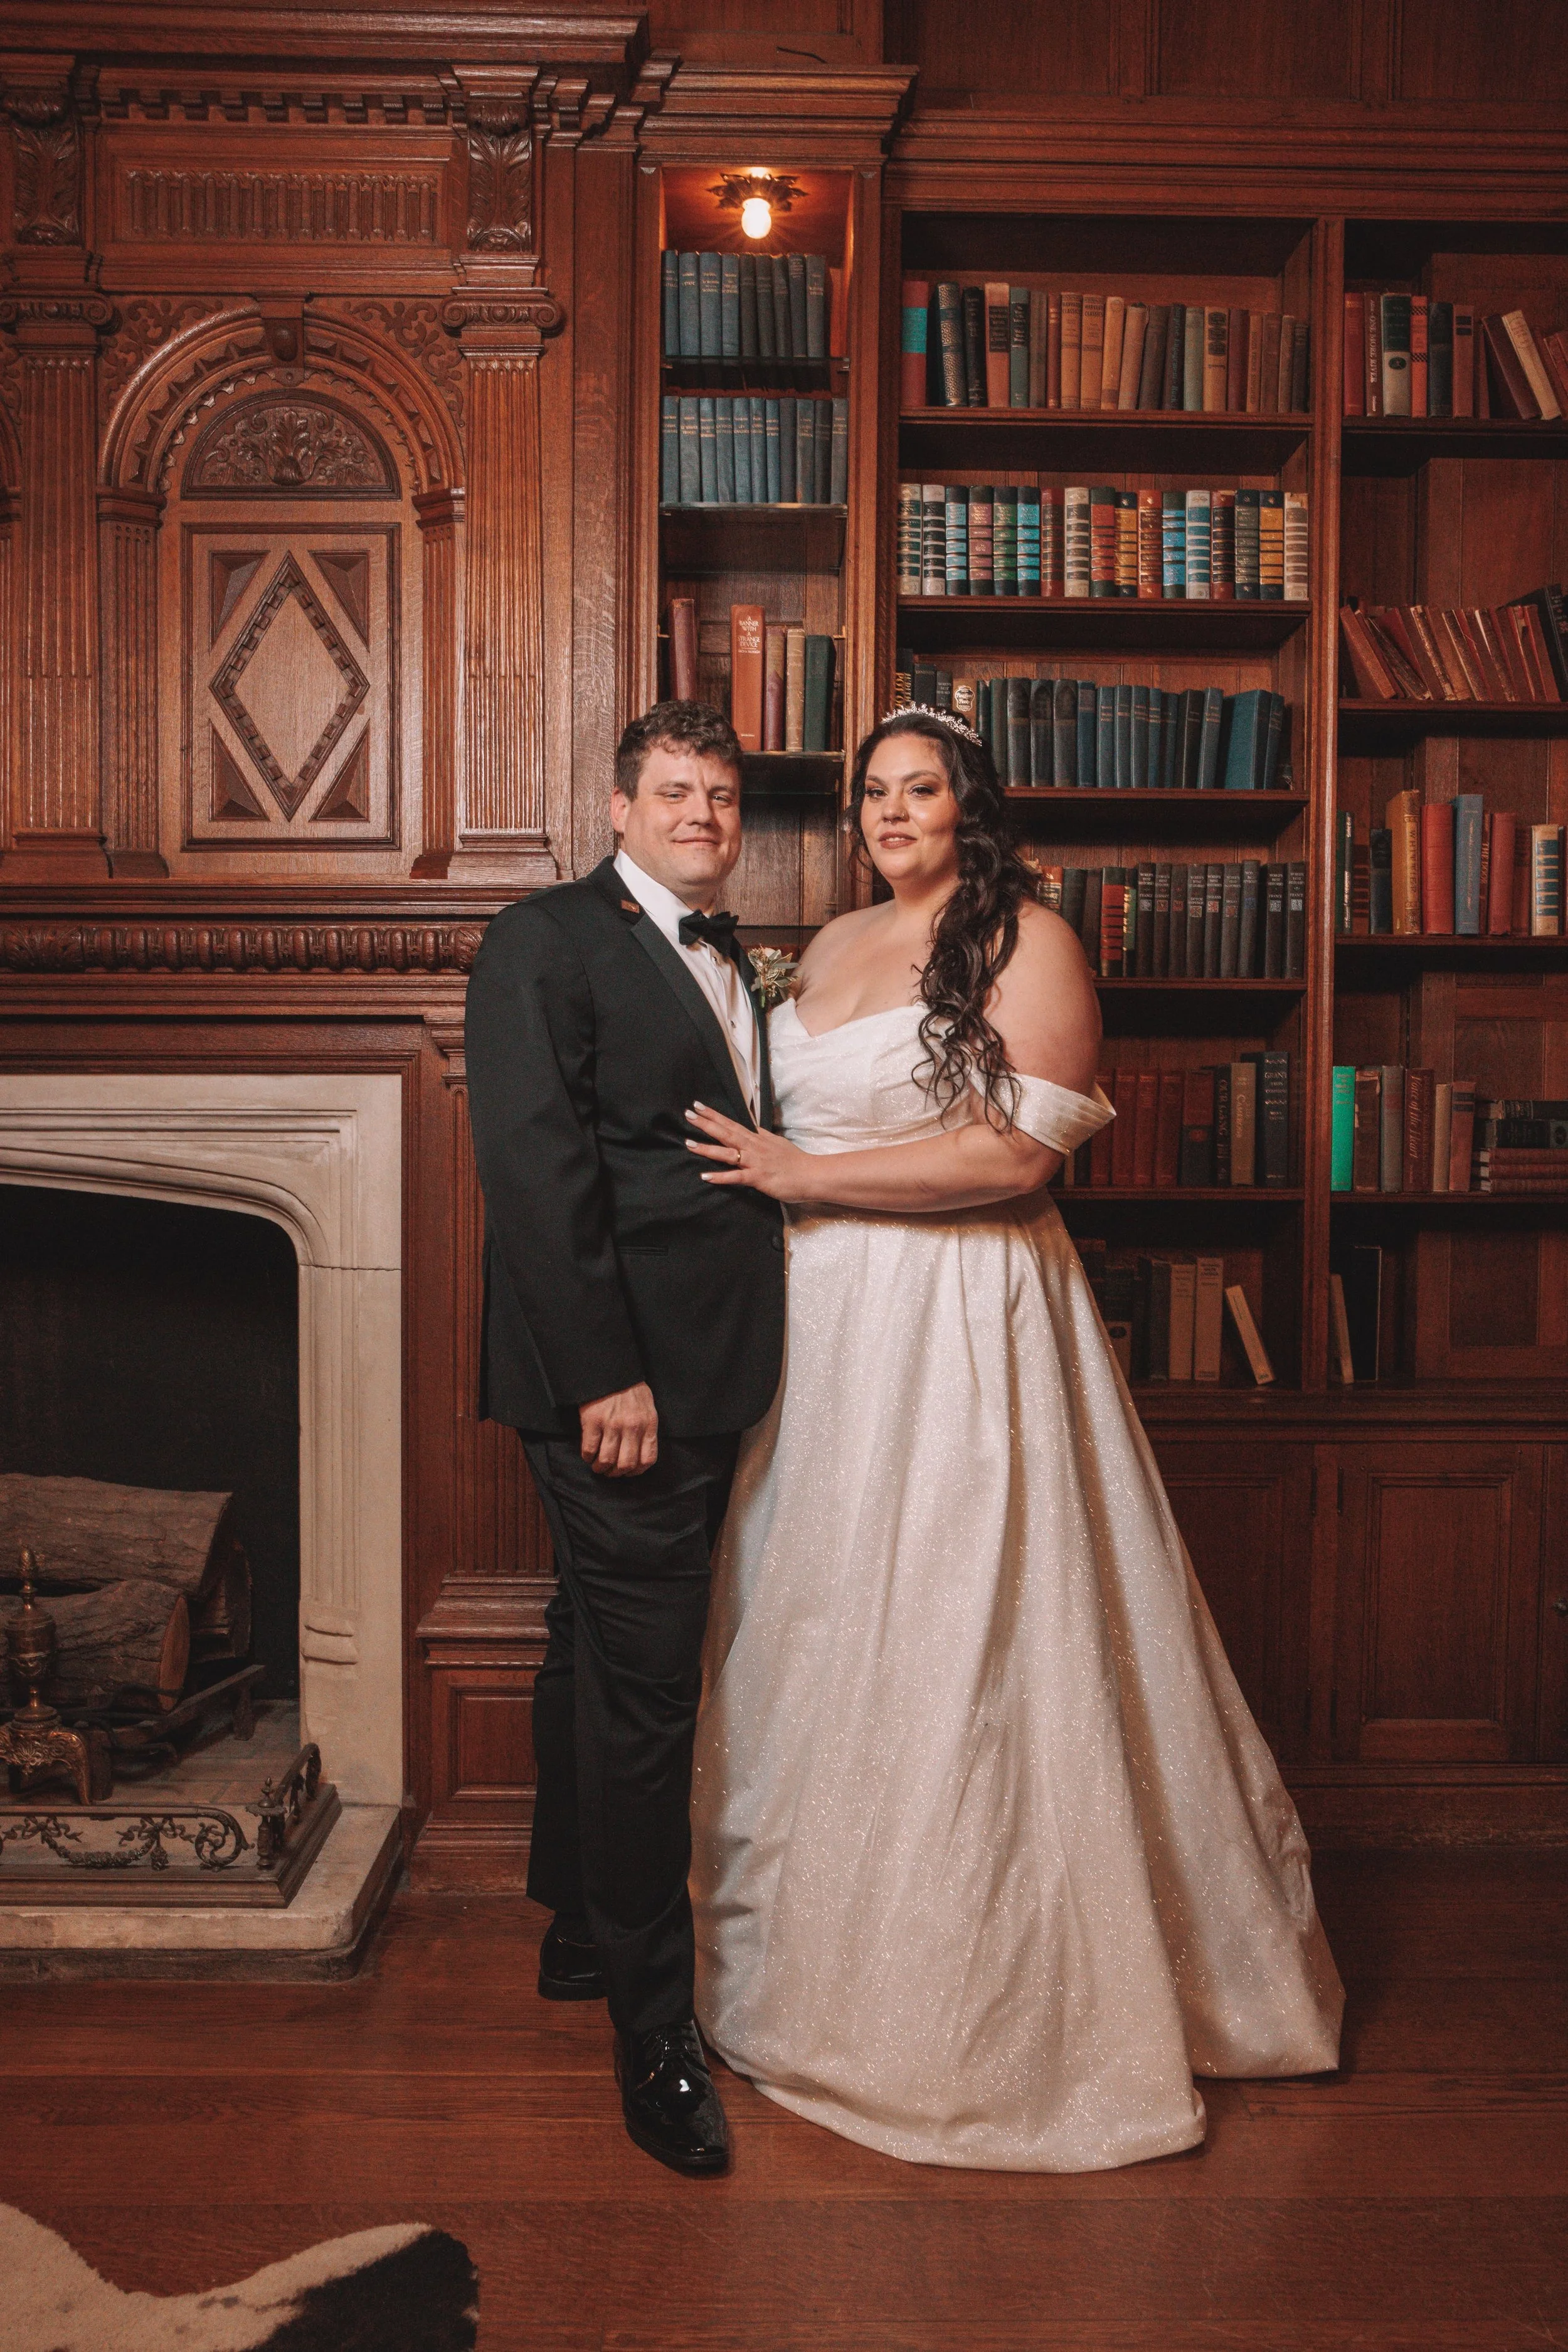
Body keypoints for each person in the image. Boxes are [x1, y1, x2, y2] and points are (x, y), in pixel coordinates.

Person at [685, 705, 1344, 2173]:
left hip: (959, 1309)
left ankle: (978, 2003)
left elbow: (1018, 1151)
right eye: (872, 791)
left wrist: (807, 1167)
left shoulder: (1024, 937)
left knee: (961, 1610)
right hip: (820, 1321)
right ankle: (797, 1964)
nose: (890, 810)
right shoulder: (834, 938)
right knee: (814, 1614)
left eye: (919, 787)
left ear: (968, 804)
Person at [464, 700, 783, 2178]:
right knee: (648, 1689)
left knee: (590, 1646)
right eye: (674, 789)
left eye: (720, 793)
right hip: (620, 1378)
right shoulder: (546, 937)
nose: (702, 812)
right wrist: (605, 1370)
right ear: (616, 805)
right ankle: (655, 2037)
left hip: (706, 1362)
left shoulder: (732, 954)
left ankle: (581, 1929)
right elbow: (533, 1165)